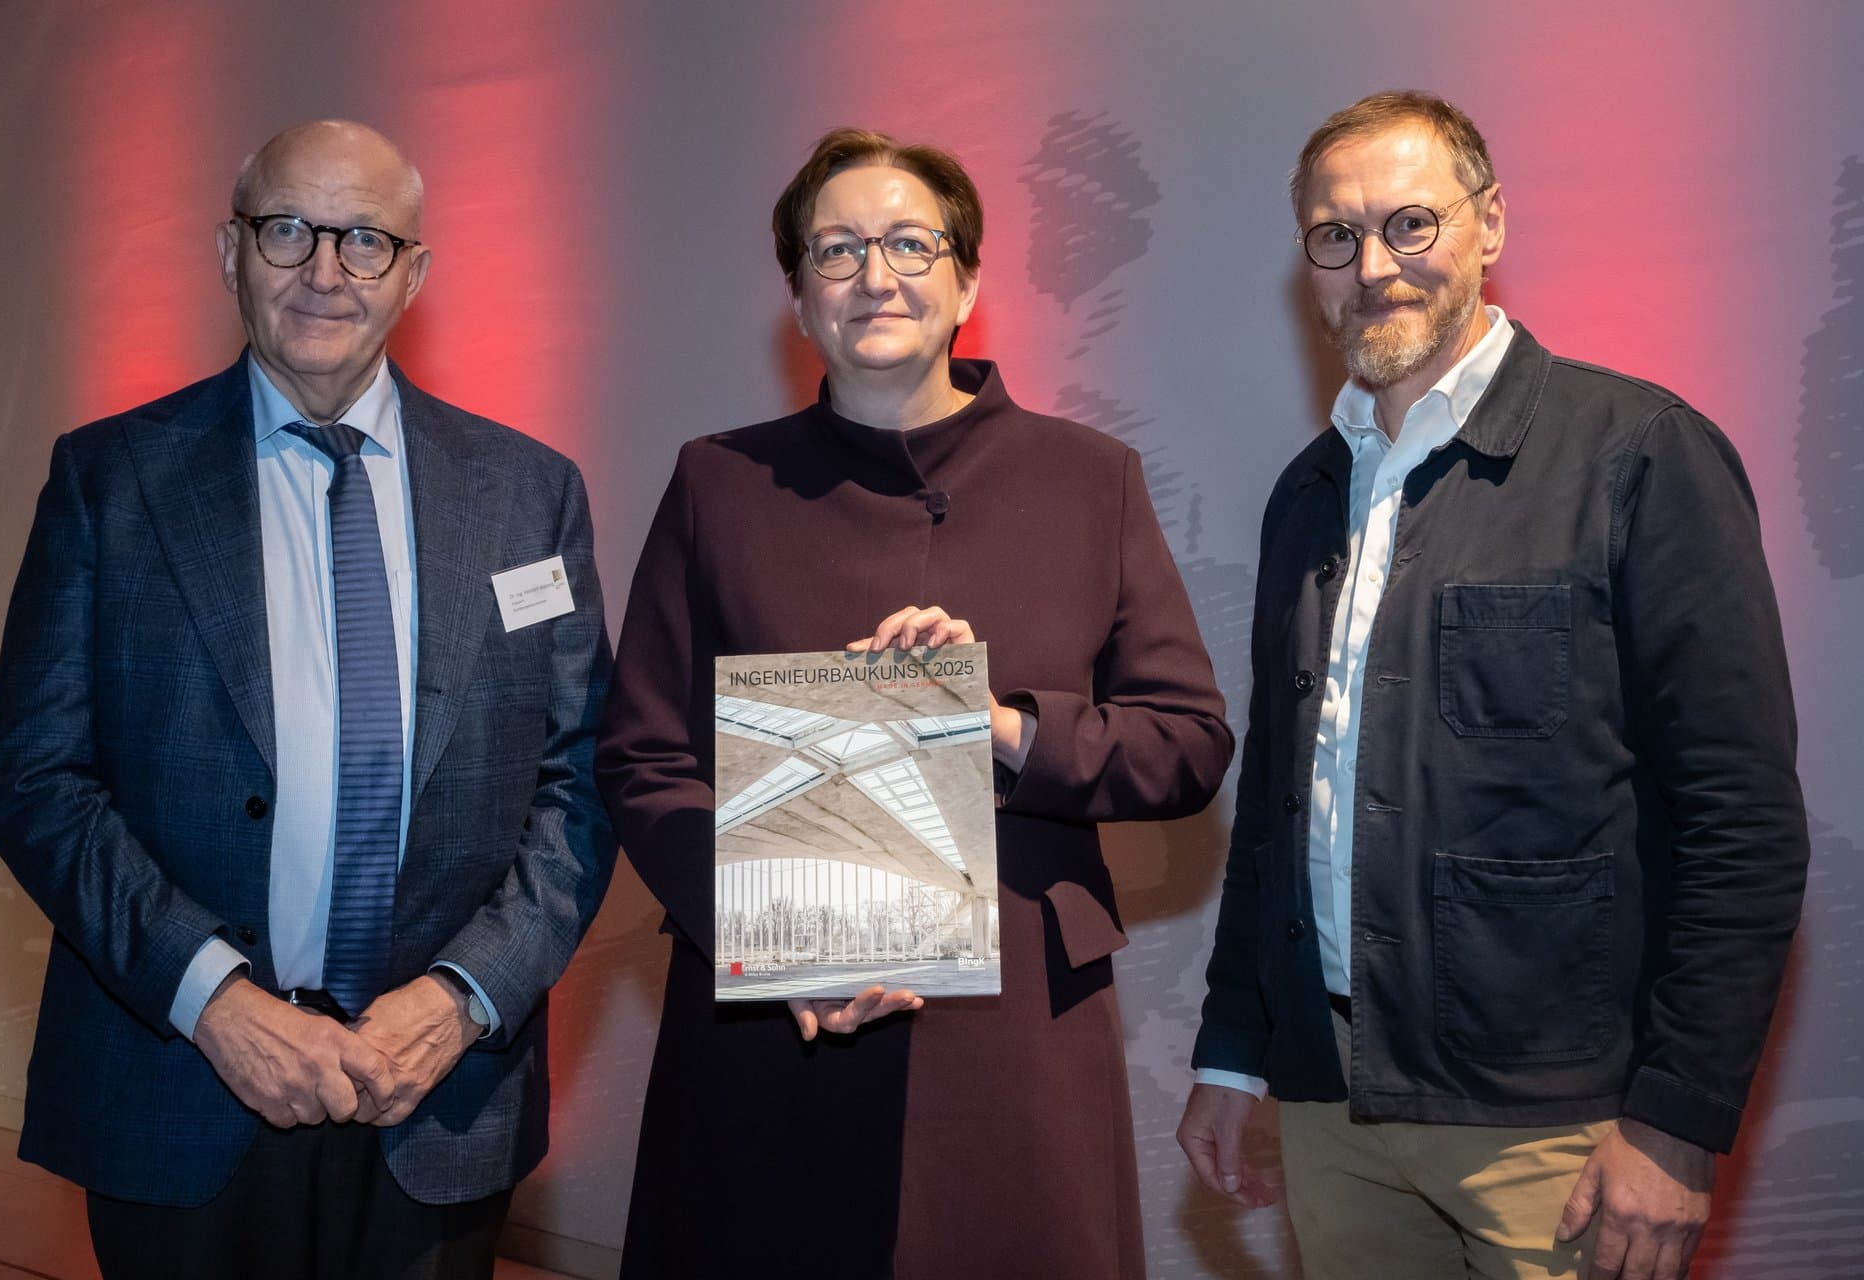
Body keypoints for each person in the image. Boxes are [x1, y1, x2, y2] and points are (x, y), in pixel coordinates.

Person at [1178, 90, 1809, 1280]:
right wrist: (1233, 1052)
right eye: (1335, 236)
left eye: (1412, 223)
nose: (1374, 265)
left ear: (1490, 225)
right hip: (1331, 1110)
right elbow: (1279, 794)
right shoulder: (1307, 491)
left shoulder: (1640, 453)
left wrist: (1676, 1120)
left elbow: (1743, 821)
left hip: (1561, 1132)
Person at [0, 120, 616, 1279]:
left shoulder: (532, 494)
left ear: (414, 272)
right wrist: (215, 999)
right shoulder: (108, 479)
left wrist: (463, 998)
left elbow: (577, 785)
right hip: (179, 1083)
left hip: (437, 1091)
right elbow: (36, 780)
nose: (325, 271)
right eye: (288, 230)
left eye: (365, 239)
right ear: (229, 254)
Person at [596, 127, 1232, 1280]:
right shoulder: (719, 482)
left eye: (908, 242)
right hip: (776, 1014)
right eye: (834, 251)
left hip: (1018, 1018)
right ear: (797, 298)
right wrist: (770, 940)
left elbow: (1187, 741)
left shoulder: (1090, 478)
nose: (874, 275)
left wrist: (1004, 730)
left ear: (968, 279)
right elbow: (644, 754)